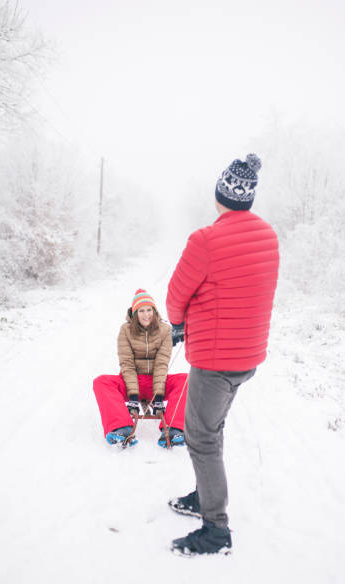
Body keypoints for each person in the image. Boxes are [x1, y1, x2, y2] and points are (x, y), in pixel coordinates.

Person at [166, 154, 279, 555]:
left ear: (220, 195)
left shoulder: (206, 239)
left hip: (215, 360)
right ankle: (204, 494)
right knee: (212, 429)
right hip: (247, 356)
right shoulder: (268, 235)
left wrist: (177, 323)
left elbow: (177, 294)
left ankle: (215, 529)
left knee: (200, 436)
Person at [93, 289, 188, 448]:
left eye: (149, 310)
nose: (146, 314)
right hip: (132, 380)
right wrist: (133, 396)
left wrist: (158, 397)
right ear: (134, 313)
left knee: (187, 380)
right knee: (101, 382)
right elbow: (127, 364)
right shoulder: (126, 330)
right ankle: (120, 428)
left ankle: (175, 429)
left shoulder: (165, 331)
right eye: (141, 311)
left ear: (155, 311)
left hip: (157, 382)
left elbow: (161, 363)